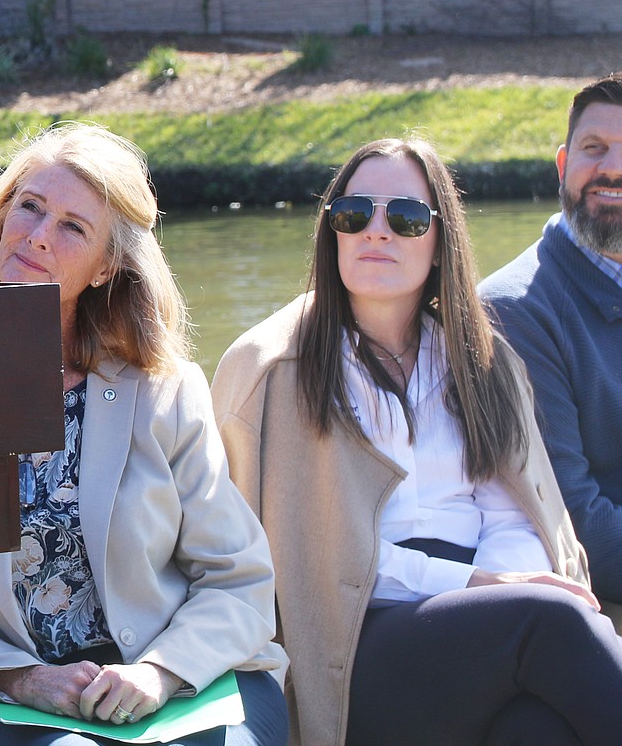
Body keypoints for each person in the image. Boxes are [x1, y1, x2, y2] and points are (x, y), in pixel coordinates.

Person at [212, 137, 622, 746]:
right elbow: (303, 561)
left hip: (488, 628)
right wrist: (486, 593)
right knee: (556, 622)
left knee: (534, 727)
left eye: (404, 218)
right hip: (354, 638)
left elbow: (516, 519)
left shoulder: (485, 363)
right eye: (355, 214)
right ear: (333, 233)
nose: (377, 232)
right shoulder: (272, 368)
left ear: (439, 243)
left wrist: (501, 593)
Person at [0, 124, 288, 746]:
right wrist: (21, 677)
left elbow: (238, 579)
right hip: (5, 702)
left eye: (73, 227)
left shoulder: (165, 390)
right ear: (1, 215)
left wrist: (159, 672)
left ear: (107, 267)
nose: (37, 236)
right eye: (29, 207)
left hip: (184, 682)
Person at [481, 73, 622, 605]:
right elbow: (573, 521)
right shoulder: (514, 313)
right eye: (595, 148)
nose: (613, 167)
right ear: (564, 166)